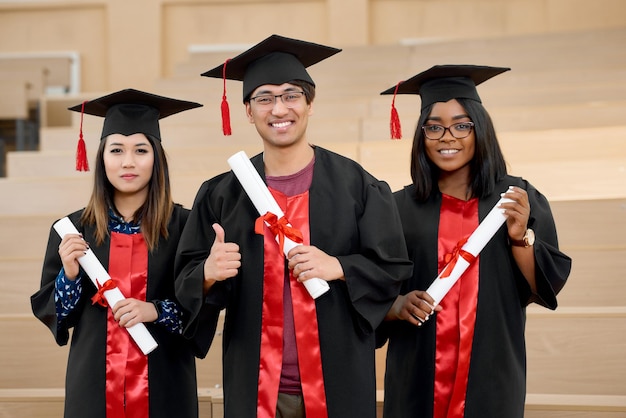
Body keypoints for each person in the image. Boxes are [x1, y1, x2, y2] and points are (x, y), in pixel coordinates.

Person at [174, 34, 413, 418]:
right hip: (255, 387)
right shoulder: (222, 195)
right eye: (264, 98)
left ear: (309, 104)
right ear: (249, 111)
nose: (279, 108)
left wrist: (340, 267)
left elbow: (393, 270)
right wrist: (206, 274)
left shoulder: (359, 187)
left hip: (339, 385)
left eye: (290, 95)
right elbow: (184, 283)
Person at [376, 65, 572, 418]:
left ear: (479, 129)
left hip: (491, 370)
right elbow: (375, 288)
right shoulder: (397, 207)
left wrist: (519, 237)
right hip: (417, 372)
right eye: (434, 126)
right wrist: (396, 304)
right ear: (421, 135)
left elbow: (541, 286)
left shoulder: (515, 198)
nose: (447, 136)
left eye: (461, 125)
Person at [30, 89, 204, 418]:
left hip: (164, 384)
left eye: (141, 150)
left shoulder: (185, 225)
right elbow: (58, 317)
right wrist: (68, 274)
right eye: (116, 150)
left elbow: (200, 306)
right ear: (101, 158)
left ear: (156, 158)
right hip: (93, 386)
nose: (128, 162)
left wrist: (154, 310)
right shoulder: (71, 230)